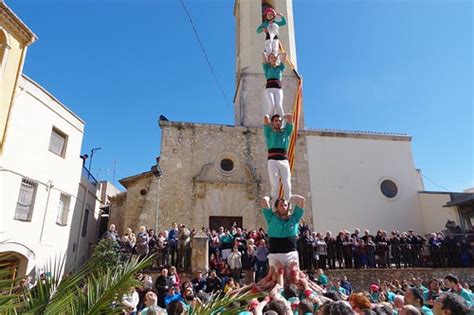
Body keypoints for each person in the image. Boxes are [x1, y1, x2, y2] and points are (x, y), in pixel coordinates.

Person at [259, 194, 305, 269]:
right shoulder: (271, 217)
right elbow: (264, 200)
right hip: (275, 254)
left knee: (294, 278)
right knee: (276, 277)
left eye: (285, 205)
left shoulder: (295, 217)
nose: (283, 207)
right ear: (276, 207)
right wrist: (273, 197)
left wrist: (289, 196)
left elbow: (301, 200)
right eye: (281, 205)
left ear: (288, 207)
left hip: (291, 253)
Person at [263, 113, 293, 202]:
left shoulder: (286, 131)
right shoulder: (269, 131)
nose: (278, 122)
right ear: (272, 123)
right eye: (276, 121)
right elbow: (266, 117)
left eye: (280, 121)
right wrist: (273, 115)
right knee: (275, 184)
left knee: (287, 184)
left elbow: (290, 117)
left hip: (284, 160)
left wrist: (282, 116)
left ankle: (288, 204)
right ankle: (274, 207)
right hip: (272, 161)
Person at [261, 52, 287, 119]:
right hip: (269, 89)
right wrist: (268, 53)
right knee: (272, 105)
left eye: (275, 58)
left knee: (279, 105)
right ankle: (268, 121)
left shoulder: (280, 68)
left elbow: (285, 55)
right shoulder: (267, 68)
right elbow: (263, 54)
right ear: (269, 59)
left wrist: (278, 54)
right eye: (271, 58)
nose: (273, 59)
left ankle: (282, 123)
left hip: (278, 88)